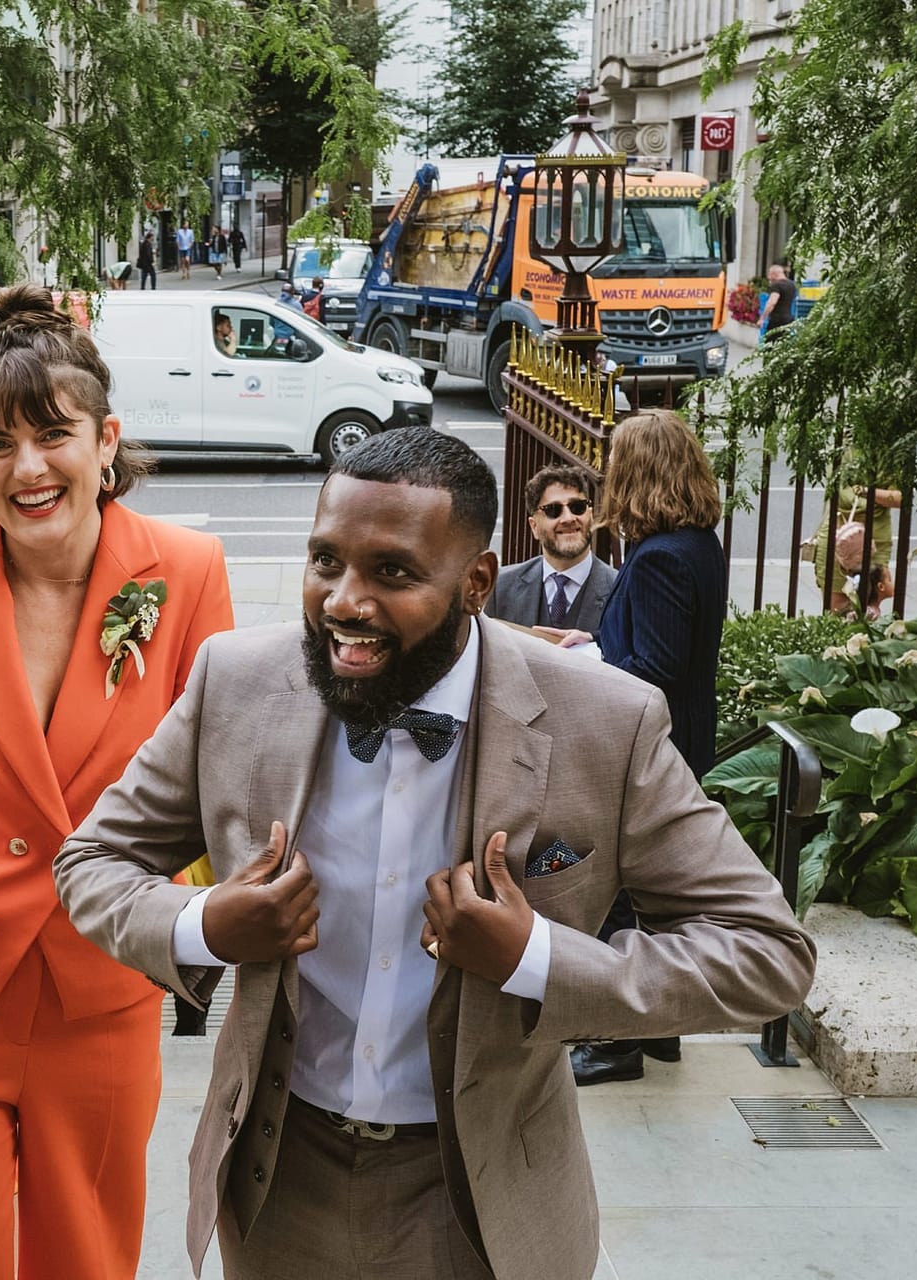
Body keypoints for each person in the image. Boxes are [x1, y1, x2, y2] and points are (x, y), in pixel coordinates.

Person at [54, 428, 814, 1280]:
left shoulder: (607, 723)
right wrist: (203, 926)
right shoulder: (235, 680)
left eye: (394, 573)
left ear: (476, 584)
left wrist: (535, 959)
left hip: (480, 1199)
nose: (345, 601)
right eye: (325, 561)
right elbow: (91, 864)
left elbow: (768, 953)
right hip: (275, 1183)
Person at [0, 283, 234, 1277]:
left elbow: (223, 770)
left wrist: (183, 909)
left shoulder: (186, 572)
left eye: (52, 436)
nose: (27, 468)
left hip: (98, 991)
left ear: (107, 440)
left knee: (88, 1260)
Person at [574, 407, 730, 1087]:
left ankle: (615, 1042)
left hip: (652, 749)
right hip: (682, 741)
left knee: (617, 892)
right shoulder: (694, 543)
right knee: (660, 892)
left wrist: (589, 667)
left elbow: (659, 669)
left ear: (639, 472)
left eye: (616, 465)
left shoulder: (664, 557)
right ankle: (661, 1030)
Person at [490, 464, 617, 637]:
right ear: (534, 526)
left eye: (577, 507)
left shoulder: (620, 590)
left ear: (590, 515)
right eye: (553, 510)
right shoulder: (501, 587)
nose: (568, 518)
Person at [808, 465, 903, 619]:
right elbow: (840, 491)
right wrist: (877, 496)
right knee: (836, 612)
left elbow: (901, 497)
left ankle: (861, 642)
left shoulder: (892, 451)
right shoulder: (842, 449)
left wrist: (865, 491)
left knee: (869, 609)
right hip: (839, 536)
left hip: (875, 538)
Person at [758, 263, 797, 342]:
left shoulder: (777, 285)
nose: (769, 278)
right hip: (789, 320)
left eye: (770, 275)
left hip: (777, 321)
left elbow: (772, 302)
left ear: (774, 274)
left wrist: (762, 318)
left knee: (770, 346)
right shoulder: (792, 285)